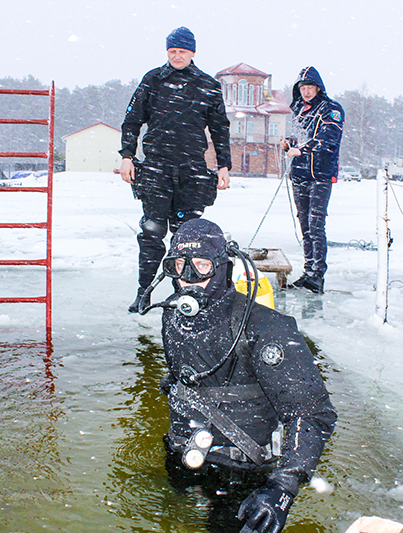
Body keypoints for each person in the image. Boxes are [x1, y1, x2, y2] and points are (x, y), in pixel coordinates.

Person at [141, 218, 337, 533]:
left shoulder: (266, 328)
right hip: (184, 454)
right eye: (179, 266)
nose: (189, 279)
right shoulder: (173, 316)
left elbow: (312, 414)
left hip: (241, 475)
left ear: (223, 268)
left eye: (202, 266)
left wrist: (282, 488)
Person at [119, 26, 232, 313]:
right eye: (172, 51)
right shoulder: (153, 81)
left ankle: (183, 293)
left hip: (191, 172)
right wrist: (127, 156)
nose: (177, 56)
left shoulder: (207, 85)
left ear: (192, 52)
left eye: (182, 51)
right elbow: (132, 121)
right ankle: (143, 293)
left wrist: (224, 165)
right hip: (156, 168)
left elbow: (220, 128)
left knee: (187, 239)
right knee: (151, 232)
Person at [281, 66, 344, 294]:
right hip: (299, 174)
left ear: (318, 88)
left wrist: (302, 149)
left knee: (316, 225)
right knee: (305, 226)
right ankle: (307, 272)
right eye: (303, 88)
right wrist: (289, 143)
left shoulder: (331, 109)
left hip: (320, 175)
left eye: (310, 87)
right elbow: (300, 136)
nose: (306, 91)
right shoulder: (299, 110)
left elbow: (328, 138)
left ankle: (318, 275)